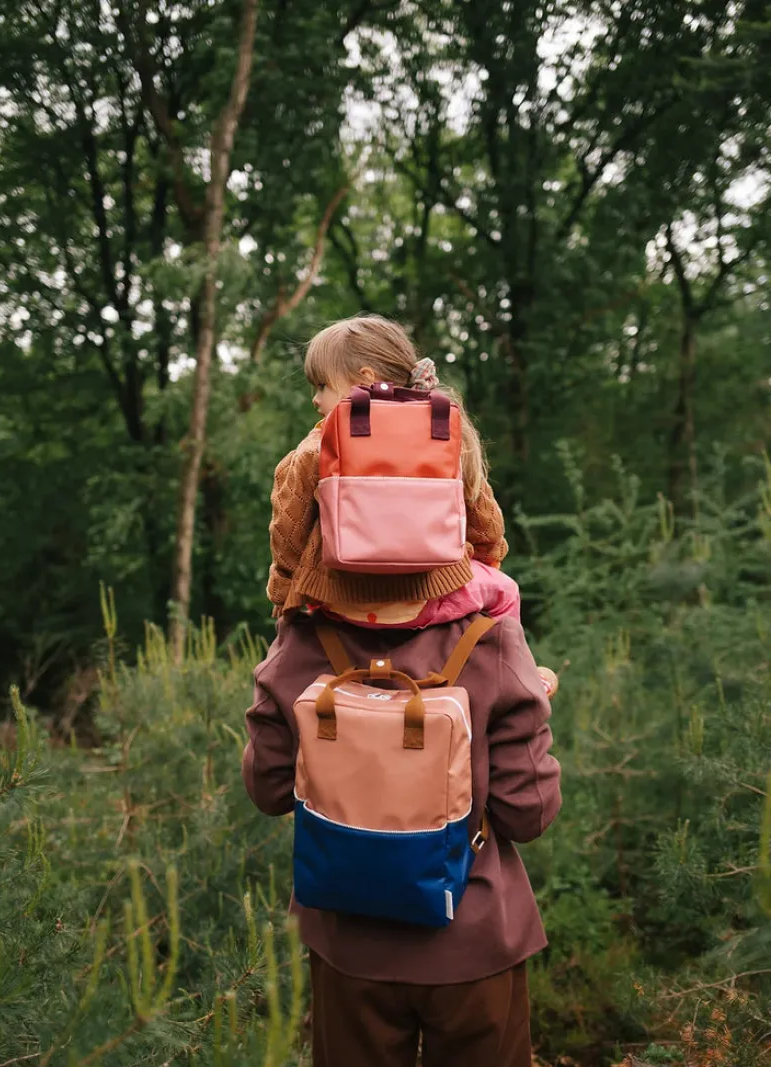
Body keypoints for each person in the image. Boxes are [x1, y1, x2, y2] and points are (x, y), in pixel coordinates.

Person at [241, 609, 562, 1067]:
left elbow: (269, 789)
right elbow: (528, 813)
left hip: (345, 946)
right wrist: (533, 710)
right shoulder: (491, 640)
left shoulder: (302, 638)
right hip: (473, 940)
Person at [267, 313, 558, 695]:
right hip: (431, 598)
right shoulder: (444, 434)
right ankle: (521, 675)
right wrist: (484, 562)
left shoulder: (315, 447)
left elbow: (287, 533)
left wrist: (283, 595)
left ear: (365, 380)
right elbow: (486, 523)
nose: (315, 398)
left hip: (338, 602)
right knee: (506, 591)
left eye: (322, 385)